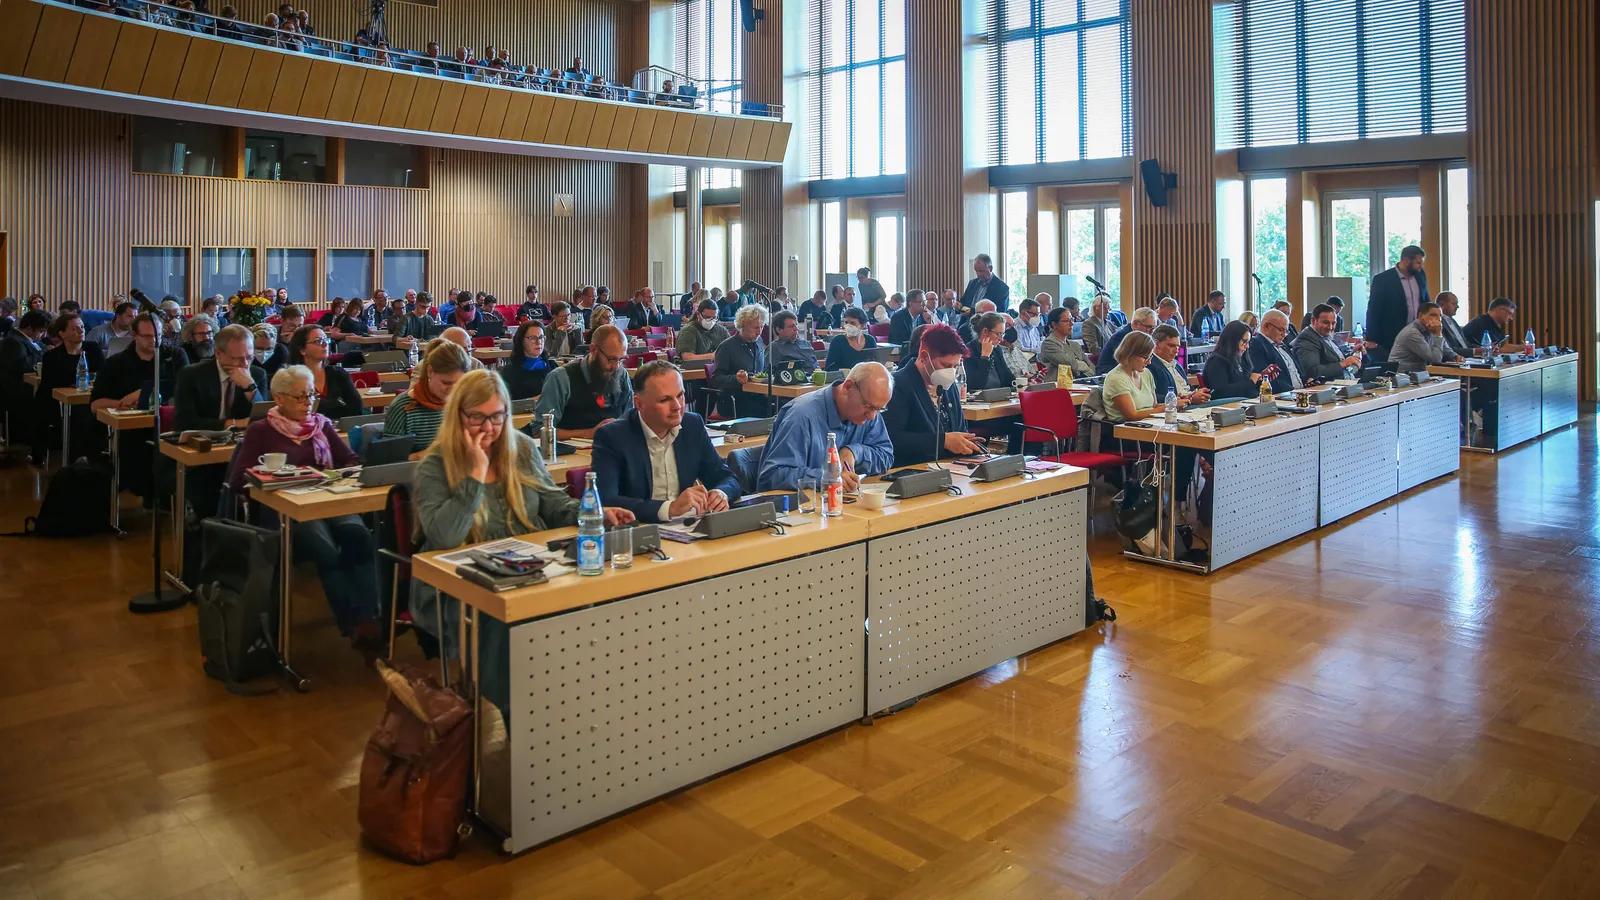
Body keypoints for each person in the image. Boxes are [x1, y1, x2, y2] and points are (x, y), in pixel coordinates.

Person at [412, 368, 633, 713]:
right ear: (458, 415)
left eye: (497, 417)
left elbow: (554, 504)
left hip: (526, 566)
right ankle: (527, 719)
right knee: (506, 631)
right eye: (477, 418)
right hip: (456, 585)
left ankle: (577, 706)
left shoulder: (523, 450)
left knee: (587, 606)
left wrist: (594, 513)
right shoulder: (436, 465)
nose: (489, 428)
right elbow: (445, 536)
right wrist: (473, 475)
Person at [227, 365, 381, 658]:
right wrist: (273, 479)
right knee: (325, 549)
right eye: (300, 396)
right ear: (279, 398)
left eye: (311, 395)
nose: (307, 402)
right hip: (288, 510)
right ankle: (354, 622)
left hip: (329, 499)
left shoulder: (321, 424)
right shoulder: (261, 430)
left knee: (358, 535)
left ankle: (370, 616)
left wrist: (351, 470)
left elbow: (347, 459)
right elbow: (238, 481)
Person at [590, 362, 742, 523]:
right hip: (638, 530)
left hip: (687, 529)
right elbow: (605, 500)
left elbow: (727, 478)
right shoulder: (612, 436)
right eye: (664, 400)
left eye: (680, 395)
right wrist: (669, 508)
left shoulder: (692, 425)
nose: (677, 406)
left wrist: (720, 493)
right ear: (639, 404)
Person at [756, 362, 894, 491]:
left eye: (879, 409)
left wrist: (854, 452)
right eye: (868, 407)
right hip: (801, 512)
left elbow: (886, 456)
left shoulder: (869, 410)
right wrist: (828, 478)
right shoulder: (801, 416)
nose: (872, 417)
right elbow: (771, 476)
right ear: (848, 387)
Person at [881, 324, 983, 466]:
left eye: (955, 366)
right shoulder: (898, 385)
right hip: (912, 470)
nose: (951, 372)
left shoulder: (949, 385)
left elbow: (960, 429)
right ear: (924, 357)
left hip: (951, 466)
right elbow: (891, 438)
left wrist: (967, 442)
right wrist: (943, 441)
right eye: (946, 365)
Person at [532, 324, 633, 439]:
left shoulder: (621, 374)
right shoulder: (561, 378)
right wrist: (588, 433)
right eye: (611, 359)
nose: (616, 366)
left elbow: (631, 421)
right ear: (593, 349)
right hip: (571, 454)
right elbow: (539, 431)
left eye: (621, 359)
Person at [32, 312, 104, 463]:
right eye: (75, 328)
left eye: (82, 327)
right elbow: (50, 385)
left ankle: (98, 457)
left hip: (89, 398)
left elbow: (102, 375)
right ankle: (77, 460)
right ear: (62, 333)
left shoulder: (93, 349)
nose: (81, 331)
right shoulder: (52, 356)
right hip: (58, 404)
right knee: (80, 416)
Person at [383, 339, 473, 452]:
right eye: (446, 383)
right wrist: (428, 455)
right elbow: (390, 462)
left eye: (459, 384)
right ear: (430, 371)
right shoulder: (403, 408)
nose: (452, 390)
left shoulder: (463, 405)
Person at [173, 324, 267, 432]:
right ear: (218, 354)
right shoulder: (191, 375)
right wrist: (233, 424)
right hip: (199, 442)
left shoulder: (258, 375)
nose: (245, 364)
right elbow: (184, 422)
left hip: (241, 444)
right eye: (237, 358)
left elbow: (263, 421)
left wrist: (250, 387)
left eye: (249, 357)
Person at [1365, 245, 1429, 363]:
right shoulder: (1383, 279)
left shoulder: (1420, 276)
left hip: (1418, 334)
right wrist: (1371, 338)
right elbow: (1374, 310)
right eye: (1418, 263)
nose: (1421, 266)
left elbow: (1426, 301)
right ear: (1405, 261)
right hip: (1392, 336)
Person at [287, 325, 363, 421]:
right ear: (302, 350)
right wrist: (336, 405)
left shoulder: (337, 373)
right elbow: (296, 414)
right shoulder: (291, 378)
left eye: (326, 340)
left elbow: (357, 409)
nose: (325, 344)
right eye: (318, 341)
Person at [0, 312, 50, 456]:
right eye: (40, 331)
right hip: (15, 390)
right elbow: (22, 365)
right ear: (29, 328)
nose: (42, 335)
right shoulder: (13, 342)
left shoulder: (28, 340)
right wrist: (45, 356)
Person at [711, 305, 769, 418]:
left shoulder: (759, 342)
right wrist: (736, 379)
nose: (759, 332)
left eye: (761, 327)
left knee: (780, 407)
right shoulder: (726, 347)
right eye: (755, 328)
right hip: (735, 399)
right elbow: (716, 379)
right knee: (767, 412)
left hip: (757, 395)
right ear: (742, 325)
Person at [1101, 331, 1162, 424]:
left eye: (1150, 357)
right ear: (1130, 354)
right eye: (1146, 357)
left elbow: (1154, 406)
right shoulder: (1115, 378)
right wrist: (1165, 409)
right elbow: (1132, 416)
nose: (1149, 362)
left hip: (1149, 426)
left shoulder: (1146, 373)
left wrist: (1174, 403)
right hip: (1125, 433)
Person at [1294, 303, 1364, 382]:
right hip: (1328, 388)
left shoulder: (1324, 335)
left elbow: (1334, 359)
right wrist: (1343, 363)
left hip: (1347, 382)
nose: (1330, 327)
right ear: (1313, 321)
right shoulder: (1307, 339)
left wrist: (1353, 353)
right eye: (1326, 323)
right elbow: (1312, 371)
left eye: (1333, 323)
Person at [1148, 325, 1211, 407]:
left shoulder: (1177, 364)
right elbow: (1153, 397)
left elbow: (1186, 388)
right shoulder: (1149, 365)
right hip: (1177, 408)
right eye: (1171, 346)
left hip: (1191, 404)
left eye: (1178, 346)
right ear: (1156, 344)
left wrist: (1197, 393)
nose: (1176, 351)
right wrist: (1190, 399)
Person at [1389, 302, 1460, 373]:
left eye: (1440, 316)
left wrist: (1455, 356)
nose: (1438, 319)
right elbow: (1435, 359)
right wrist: (1438, 335)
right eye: (1433, 315)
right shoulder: (1412, 333)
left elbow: (1444, 348)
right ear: (1420, 316)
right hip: (1402, 376)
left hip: (1419, 374)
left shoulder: (1431, 328)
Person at [1202, 321, 1264, 400]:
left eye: (1248, 342)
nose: (1247, 346)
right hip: (1226, 406)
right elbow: (1220, 392)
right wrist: (1251, 382)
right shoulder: (1216, 361)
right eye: (1244, 342)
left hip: (1245, 402)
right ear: (1232, 340)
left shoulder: (1242, 358)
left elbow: (1245, 386)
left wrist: (1258, 382)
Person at [1247, 309, 1305, 394]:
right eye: (1281, 330)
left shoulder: (1284, 346)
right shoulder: (1256, 344)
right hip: (1282, 395)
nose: (1284, 335)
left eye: (1286, 331)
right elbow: (1266, 378)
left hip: (1301, 392)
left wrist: (1307, 381)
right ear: (1266, 326)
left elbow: (1297, 370)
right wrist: (1293, 391)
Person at [1095, 307, 1158, 376]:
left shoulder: (1142, 337)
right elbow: (1126, 363)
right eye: (1148, 327)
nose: (1152, 331)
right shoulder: (1122, 337)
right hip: (1109, 375)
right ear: (1135, 324)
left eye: (1154, 328)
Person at [1037, 307, 1094, 382]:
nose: (1071, 323)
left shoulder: (1075, 345)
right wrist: (1084, 366)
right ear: (1054, 325)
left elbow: (1091, 365)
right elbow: (1069, 363)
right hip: (1058, 387)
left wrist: (1089, 373)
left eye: (1072, 319)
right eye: (1066, 321)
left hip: (1081, 382)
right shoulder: (1049, 344)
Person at [501, 321, 555, 401]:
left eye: (541, 337)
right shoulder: (509, 372)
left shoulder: (553, 367)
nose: (538, 342)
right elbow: (505, 405)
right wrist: (534, 401)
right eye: (533, 338)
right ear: (521, 341)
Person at [963, 311, 1014, 390]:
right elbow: (975, 386)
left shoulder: (997, 349)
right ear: (985, 331)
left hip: (999, 398)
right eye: (998, 334)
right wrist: (985, 357)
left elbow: (1008, 378)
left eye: (1002, 334)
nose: (1001, 339)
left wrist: (1022, 384)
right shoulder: (968, 351)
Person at [1081, 294, 1117, 362]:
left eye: (1108, 308)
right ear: (1096, 308)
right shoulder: (1089, 324)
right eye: (1105, 308)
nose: (1108, 311)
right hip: (1102, 359)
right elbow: (1093, 348)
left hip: (1114, 357)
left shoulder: (1110, 323)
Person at [1435, 292, 1471, 356]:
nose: (1457, 306)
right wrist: (1474, 352)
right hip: (1453, 360)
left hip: (1468, 357)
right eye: (1454, 304)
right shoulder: (1438, 323)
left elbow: (1464, 344)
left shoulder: (1453, 321)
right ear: (1441, 304)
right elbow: (1448, 349)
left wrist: (1484, 348)